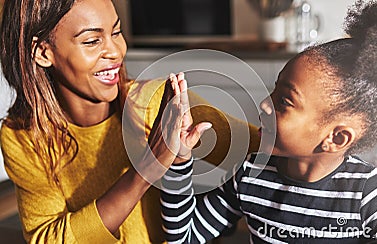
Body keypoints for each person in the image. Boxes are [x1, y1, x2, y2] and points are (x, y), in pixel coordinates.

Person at [0, 0, 260, 243]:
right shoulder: (22, 137)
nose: (115, 51)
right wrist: (147, 168)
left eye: (116, 32)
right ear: (43, 52)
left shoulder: (158, 101)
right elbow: (49, 238)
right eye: (92, 41)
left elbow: (262, 149)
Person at [161, 1, 377, 243]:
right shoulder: (250, 173)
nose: (264, 104)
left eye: (285, 101)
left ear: (336, 138)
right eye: (274, 90)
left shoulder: (373, 198)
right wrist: (179, 159)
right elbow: (185, 237)